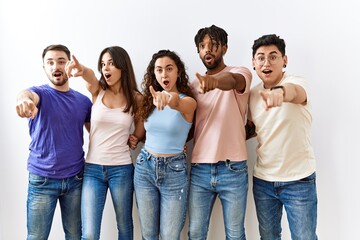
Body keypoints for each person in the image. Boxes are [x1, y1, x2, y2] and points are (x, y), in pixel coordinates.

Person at [65, 46, 143, 240]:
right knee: (90, 233)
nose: (105, 68)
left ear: (122, 67)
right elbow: (90, 76)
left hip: (122, 169)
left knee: (125, 226)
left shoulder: (136, 97)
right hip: (93, 169)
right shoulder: (97, 90)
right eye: (103, 64)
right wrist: (82, 69)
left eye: (110, 63)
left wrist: (136, 137)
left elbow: (142, 124)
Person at [15, 44, 92, 240]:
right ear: (44, 67)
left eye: (60, 61)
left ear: (69, 66)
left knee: (75, 236)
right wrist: (24, 101)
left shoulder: (84, 102)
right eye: (50, 62)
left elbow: (98, 133)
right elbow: (26, 95)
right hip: (42, 179)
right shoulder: (39, 94)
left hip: (75, 179)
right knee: (36, 236)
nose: (55, 66)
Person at [246, 34, 317, 240]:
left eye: (273, 56)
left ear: (284, 60)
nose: (266, 63)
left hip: (299, 180)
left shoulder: (295, 82)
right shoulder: (253, 94)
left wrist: (280, 93)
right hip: (264, 181)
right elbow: (253, 129)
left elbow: (295, 93)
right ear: (253, 63)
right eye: (260, 57)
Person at [188, 25, 252, 240]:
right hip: (200, 169)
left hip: (232, 168)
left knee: (235, 234)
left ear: (224, 48)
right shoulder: (193, 85)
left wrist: (214, 82)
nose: (208, 50)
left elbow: (233, 82)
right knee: (196, 233)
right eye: (202, 46)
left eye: (214, 45)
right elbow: (191, 125)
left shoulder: (240, 72)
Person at [131, 49, 197, 240]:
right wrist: (134, 138)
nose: (164, 74)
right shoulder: (148, 101)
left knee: (170, 235)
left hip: (174, 172)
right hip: (145, 168)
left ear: (178, 72)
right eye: (159, 70)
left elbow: (178, 103)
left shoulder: (188, 102)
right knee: (149, 235)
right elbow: (142, 132)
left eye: (169, 69)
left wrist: (170, 99)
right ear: (154, 74)